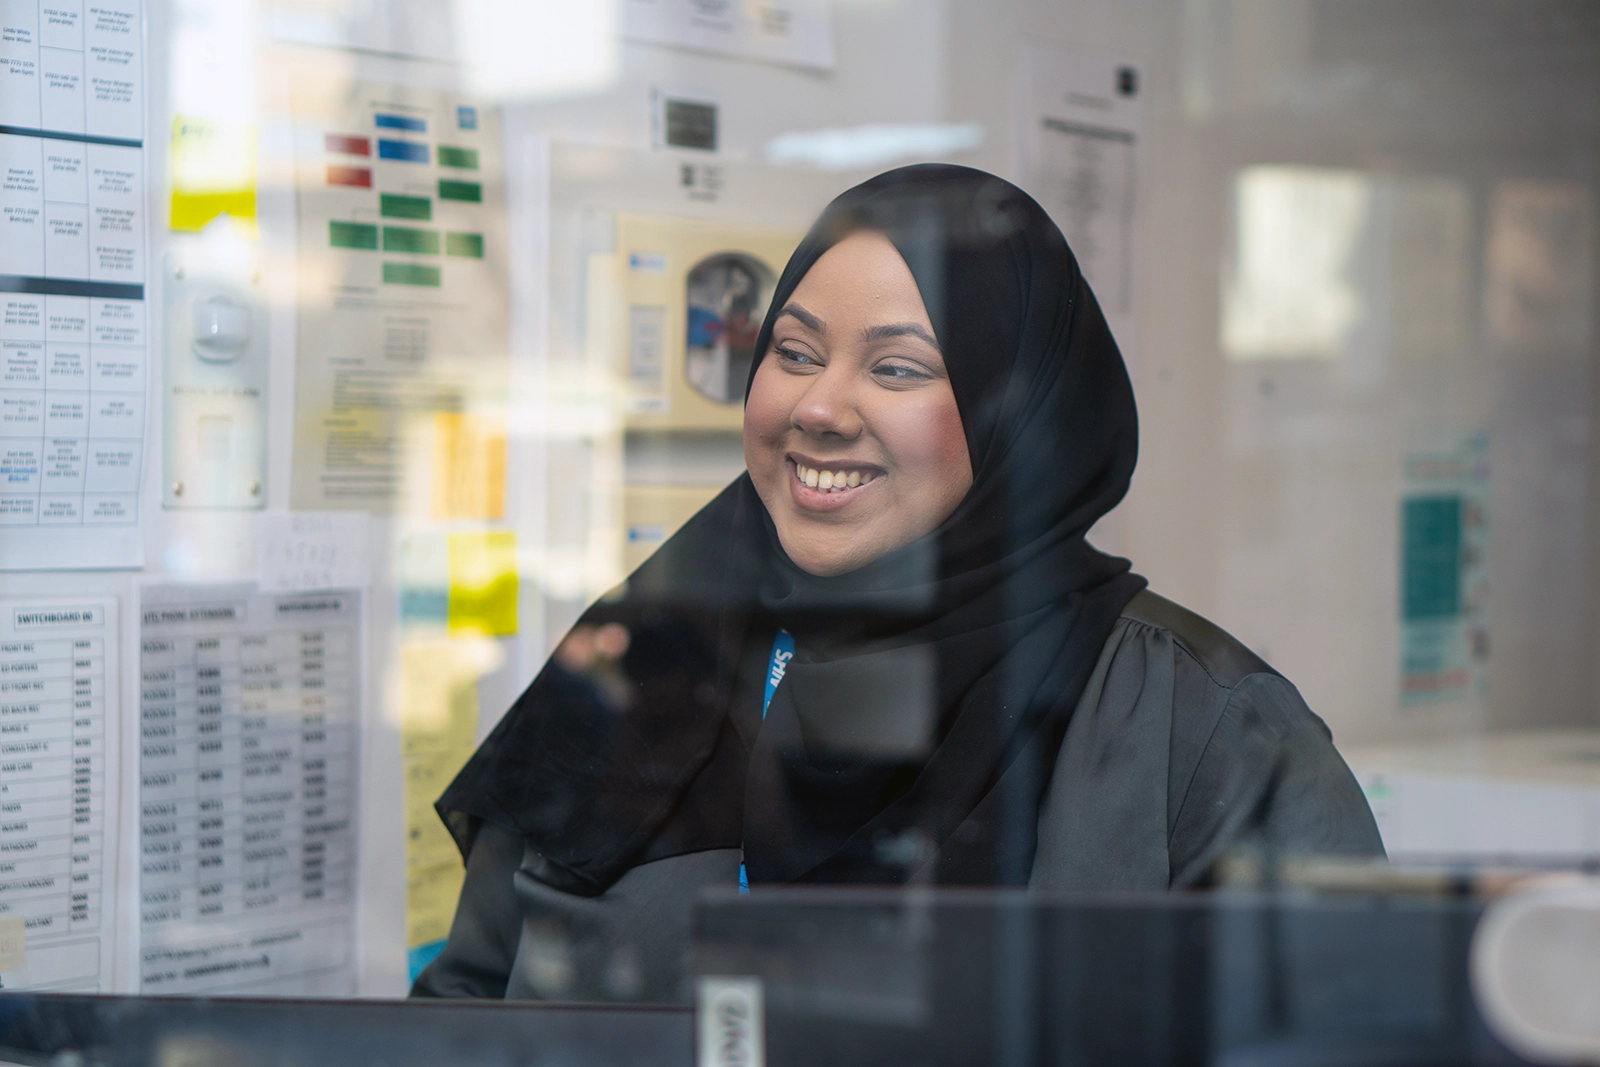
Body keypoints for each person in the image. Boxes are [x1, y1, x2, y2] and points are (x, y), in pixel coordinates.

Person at [410, 164, 1383, 1003]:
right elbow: (468, 1009)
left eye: (897, 366)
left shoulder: (1204, 731)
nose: (821, 406)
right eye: (792, 353)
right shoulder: (640, 661)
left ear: (1019, 414)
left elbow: (1342, 1035)